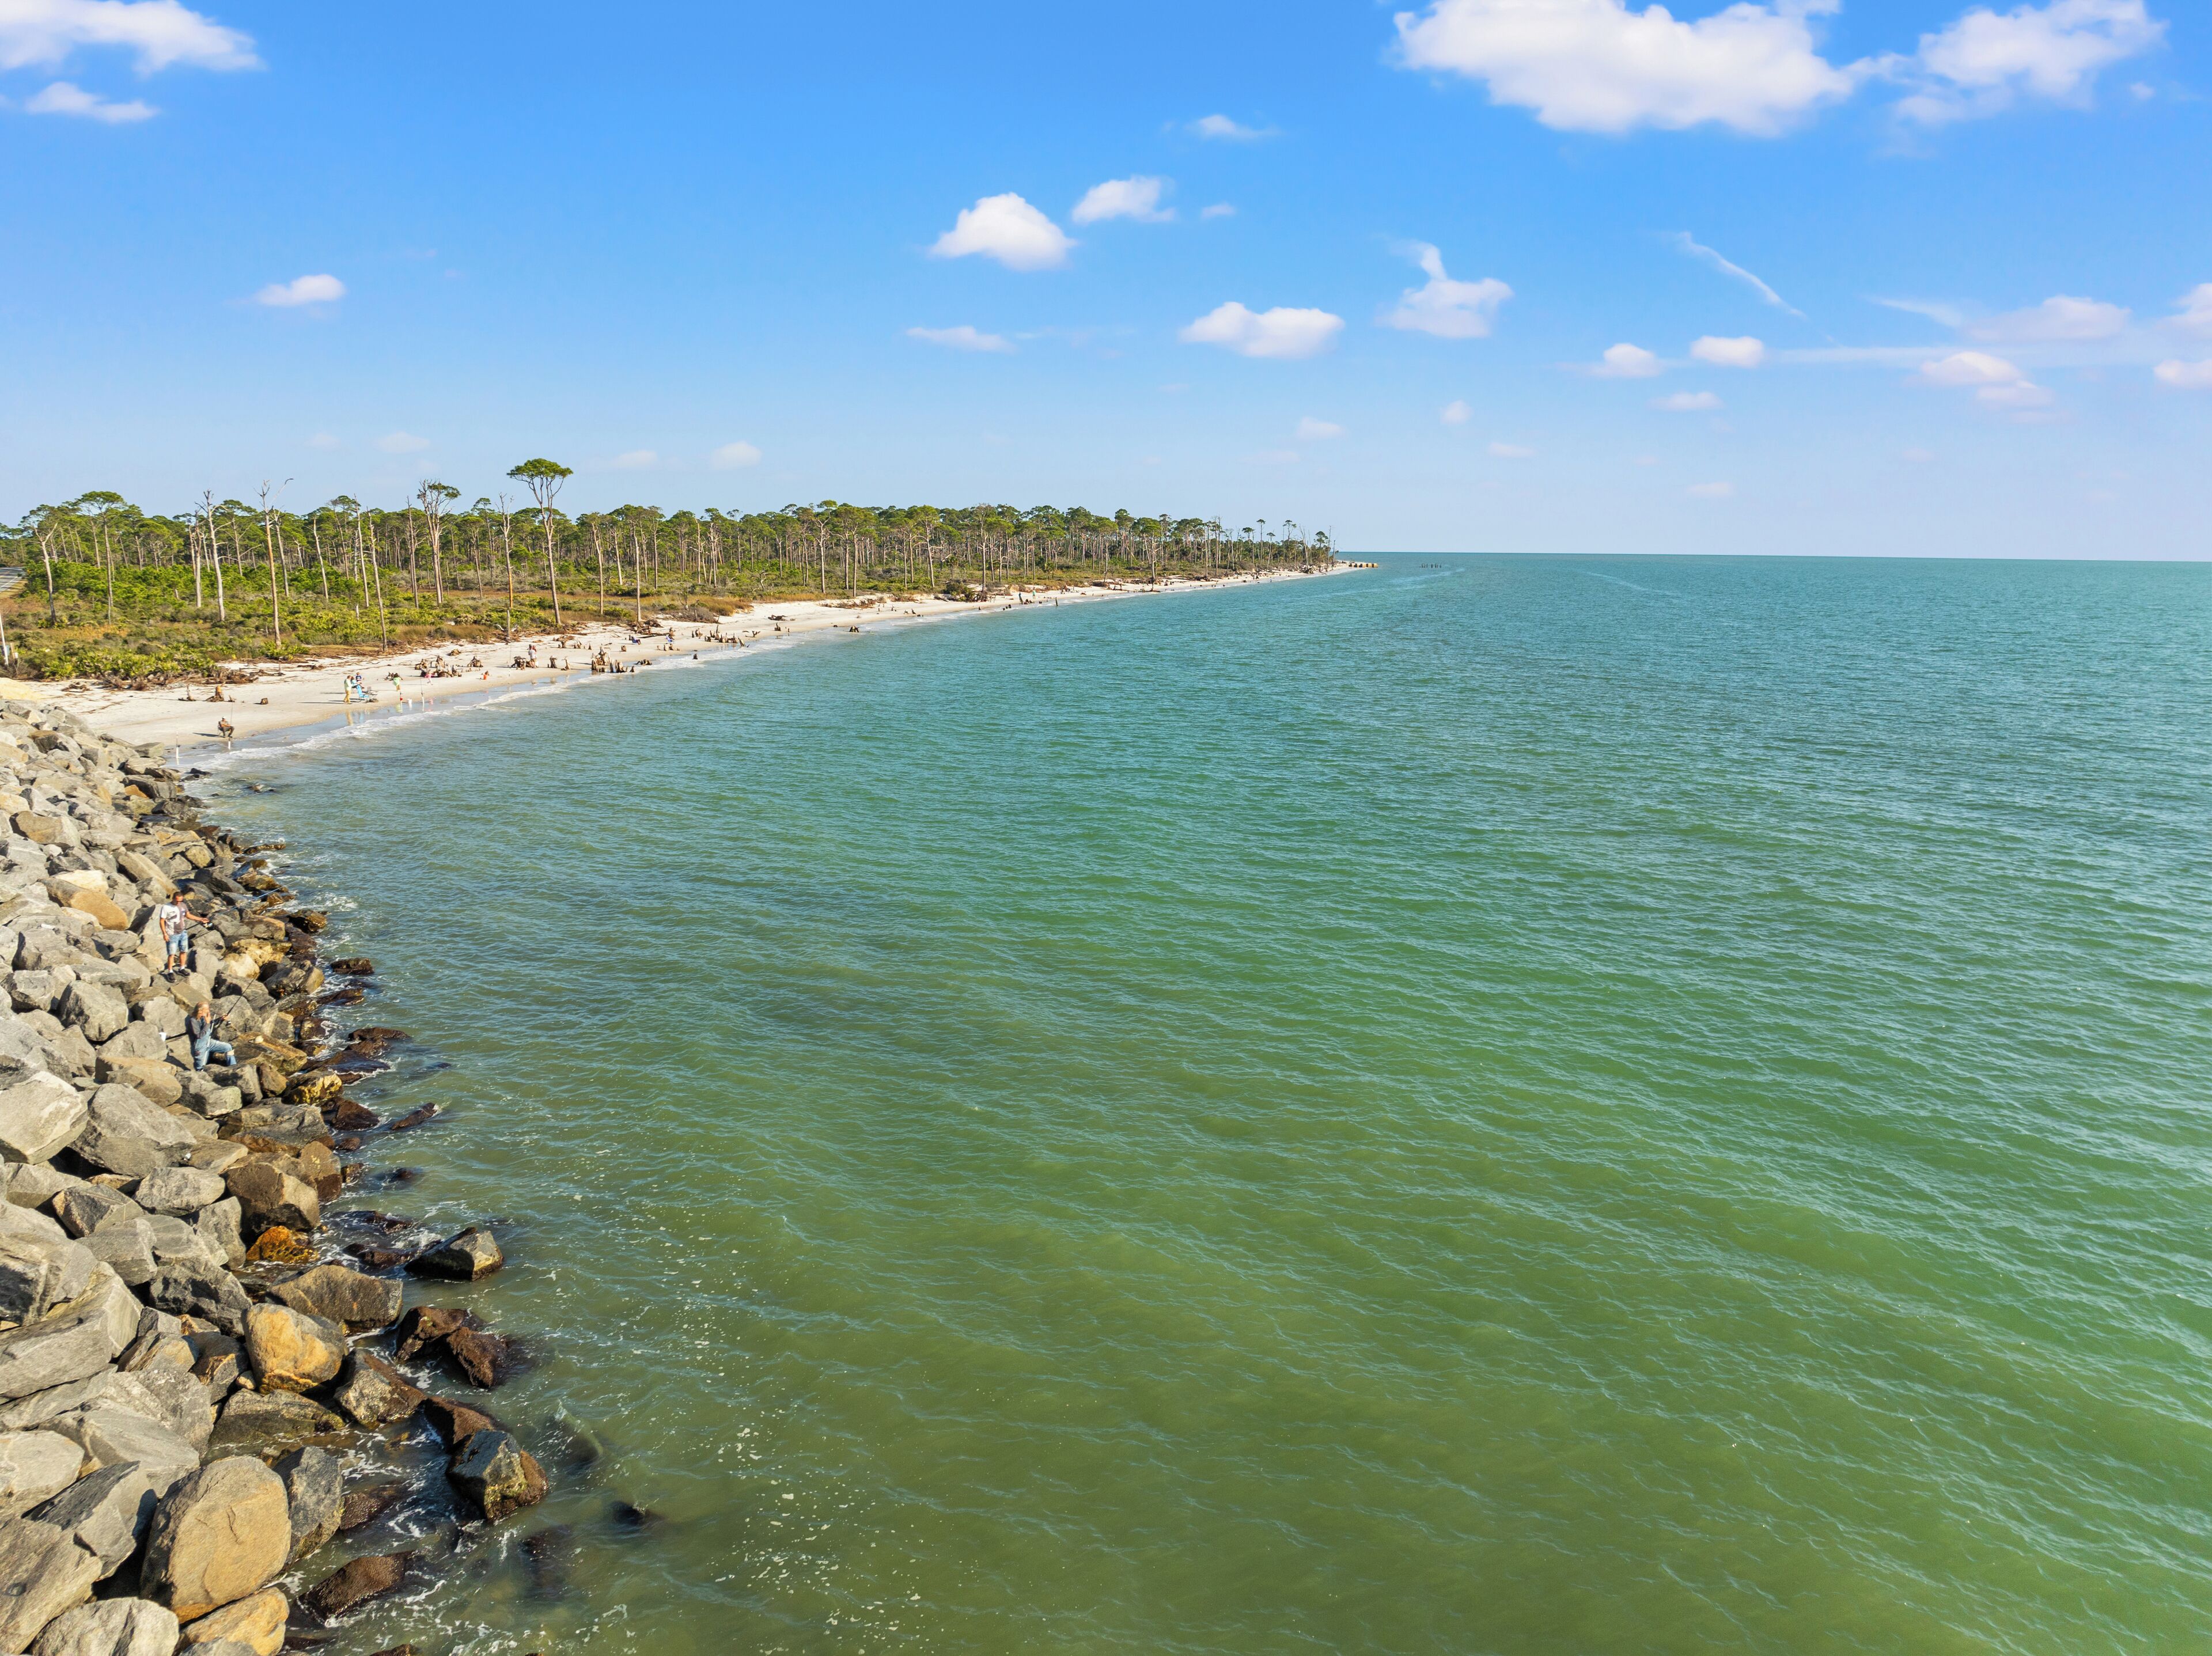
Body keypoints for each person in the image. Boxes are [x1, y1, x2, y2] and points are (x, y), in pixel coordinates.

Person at [155, 893, 205, 973]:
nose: (178, 903)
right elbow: (162, 921)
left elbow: (188, 915)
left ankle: (182, 968)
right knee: (172, 954)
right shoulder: (166, 907)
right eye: (177, 901)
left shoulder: (183, 905)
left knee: (184, 951)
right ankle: (170, 971)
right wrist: (165, 934)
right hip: (172, 934)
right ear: (173, 899)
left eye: (180, 901)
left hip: (183, 932)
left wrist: (201, 919)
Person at [185, 1002, 234, 1071]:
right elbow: (199, 1036)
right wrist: (208, 1023)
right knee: (201, 1069)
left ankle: (234, 1068)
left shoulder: (203, 1017)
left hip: (209, 1042)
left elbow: (211, 1025)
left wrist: (221, 1019)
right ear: (200, 1011)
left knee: (228, 1047)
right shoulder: (193, 1021)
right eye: (207, 1009)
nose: (209, 1011)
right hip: (199, 1047)